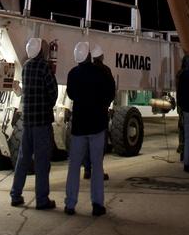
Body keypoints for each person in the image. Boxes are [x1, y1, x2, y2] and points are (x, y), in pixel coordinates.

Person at [64, 40, 115, 217]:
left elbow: (71, 94)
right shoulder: (101, 73)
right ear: (89, 56)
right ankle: (97, 204)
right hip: (97, 126)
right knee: (97, 166)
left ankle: (70, 204)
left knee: (74, 166)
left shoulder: (73, 74)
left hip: (79, 127)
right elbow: (110, 93)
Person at [9, 36, 58, 210]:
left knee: (23, 159)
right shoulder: (44, 68)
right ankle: (42, 200)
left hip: (28, 121)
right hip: (42, 122)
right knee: (42, 161)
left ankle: (16, 194)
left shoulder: (26, 67)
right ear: (40, 52)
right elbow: (53, 93)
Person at [84, 44, 111, 181]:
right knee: (99, 144)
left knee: (87, 143)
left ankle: (87, 170)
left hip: (87, 113)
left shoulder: (86, 70)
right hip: (100, 113)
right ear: (101, 57)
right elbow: (111, 90)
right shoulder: (105, 70)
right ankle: (97, 171)